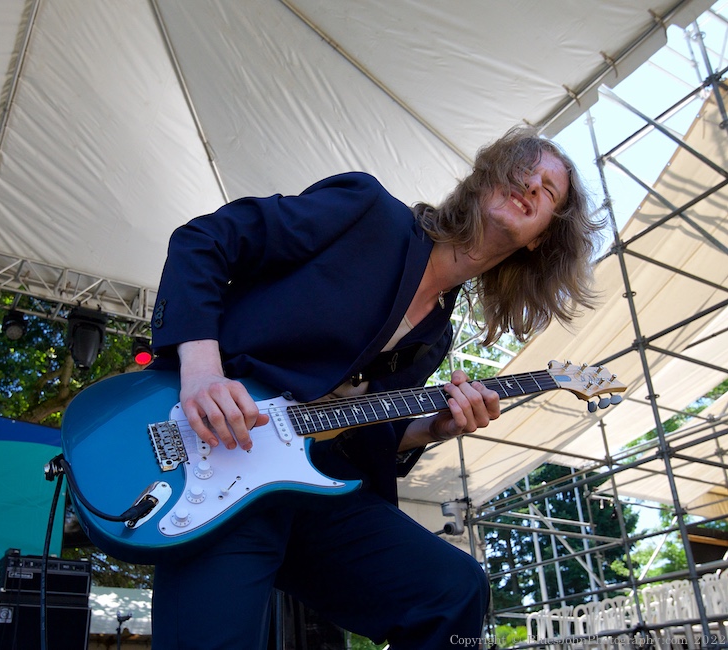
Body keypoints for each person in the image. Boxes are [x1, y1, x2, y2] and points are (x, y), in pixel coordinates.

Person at [148, 126, 601, 649]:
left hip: (312, 491)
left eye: (548, 190)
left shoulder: (436, 335)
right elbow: (204, 240)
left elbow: (358, 432)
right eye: (523, 169)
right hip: (219, 462)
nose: (532, 184)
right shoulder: (368, 213)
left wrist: (433, 427)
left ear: (542, 235)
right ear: (483, 181)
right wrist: (202, 371)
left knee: (454, 591)